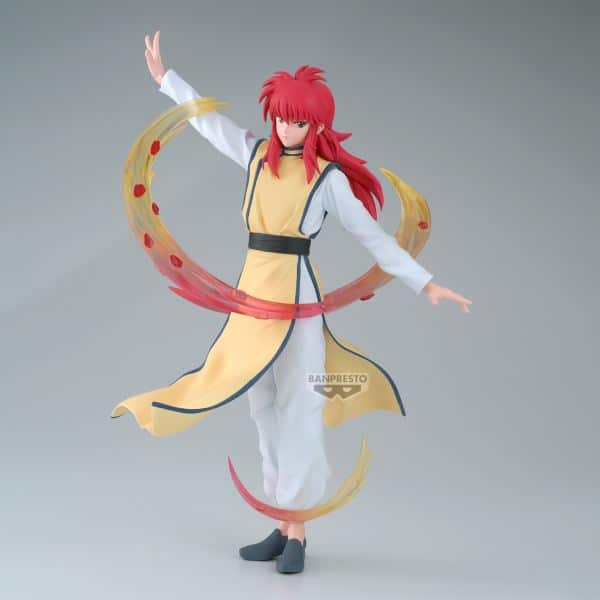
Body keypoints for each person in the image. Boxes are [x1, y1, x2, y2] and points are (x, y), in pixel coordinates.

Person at [115, 30, 472, 575]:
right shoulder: (256, 155)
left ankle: (299, 529)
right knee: (260, 405)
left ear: (316, 126)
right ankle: (280, 520)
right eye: (280, 118)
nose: (285, 129)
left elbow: (373, 237)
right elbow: (208, 123)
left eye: (297, 122)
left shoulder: (327, 181)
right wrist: (167, 80)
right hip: (251, 297)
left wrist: (425, 283)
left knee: (300, 406)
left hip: (297, 298)